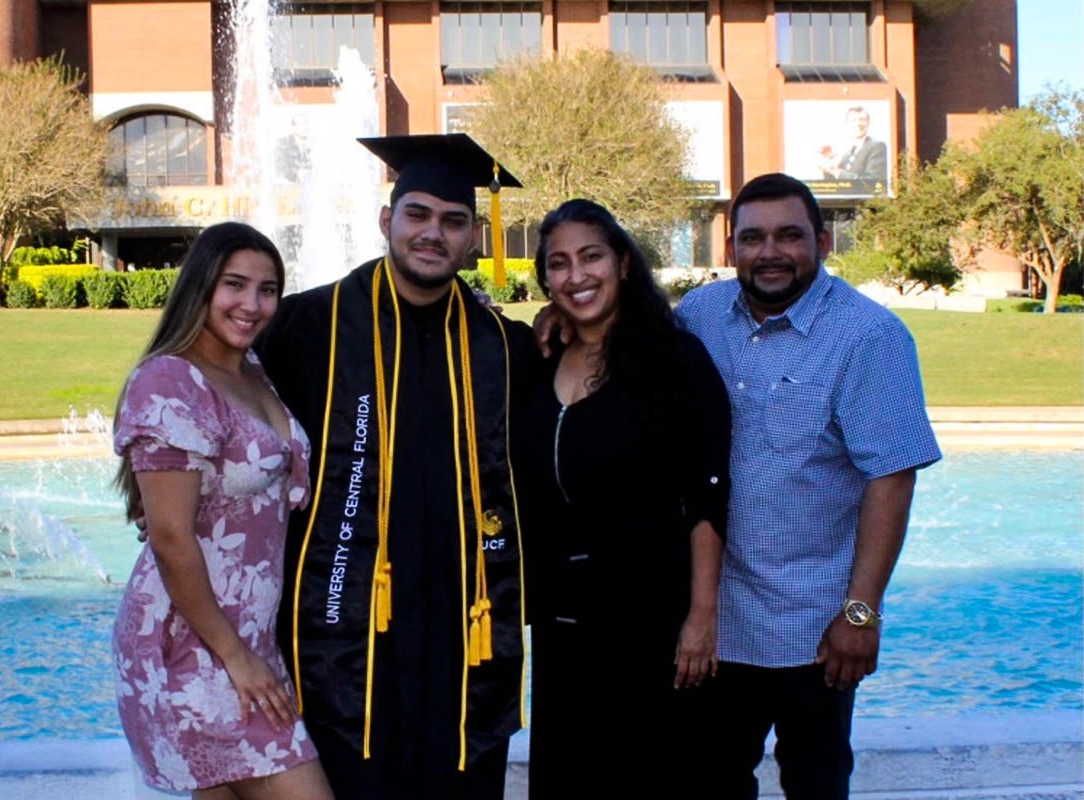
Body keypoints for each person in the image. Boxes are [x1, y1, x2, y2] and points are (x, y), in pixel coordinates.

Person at [255, 133, 538, 800]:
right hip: (345, 624)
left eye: (453, 221)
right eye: (417, 214)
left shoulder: (508, 346)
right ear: (387, 220)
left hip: (462, 626)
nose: (432, 233)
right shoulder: (306, 326)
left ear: (474, 237)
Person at [673, 172, 942, 798]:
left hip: (815, 631)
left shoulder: (869, 337)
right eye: (754, 237)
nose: (770, 252)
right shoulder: (700, 315)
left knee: (816, 784)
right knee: (706, 780)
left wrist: (861, 613)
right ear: (730, 245)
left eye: (790, 236)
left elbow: (891, 477)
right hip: (716, 623)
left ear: (822, 242)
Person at [111, 221, 334, 799]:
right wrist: (236, 657)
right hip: (191, 645)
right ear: (201, 285)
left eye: (268, 290)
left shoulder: (248, 369)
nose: (252, 304)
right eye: (235, 284)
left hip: (247, 642)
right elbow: (168, 537)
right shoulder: (169, 380)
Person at [516, 199, 732, 798]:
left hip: (650, 619)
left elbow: (707, 495)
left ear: (624, 263)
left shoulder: (675, 361)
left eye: (591, 257)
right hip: (563, 625)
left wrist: (701, 616)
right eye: (558, 264)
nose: (576, 276)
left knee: (652, 776)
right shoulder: (543, 358)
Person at [816, 105, 888, 181]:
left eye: (862, 120)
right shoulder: (848, 151)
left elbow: (872, 182)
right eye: (853, 120)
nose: (858, 124)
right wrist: (827, 165)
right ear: (847, 124)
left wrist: (835, 171)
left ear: (868, 123)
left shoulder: (877, 146)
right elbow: (837, 182)